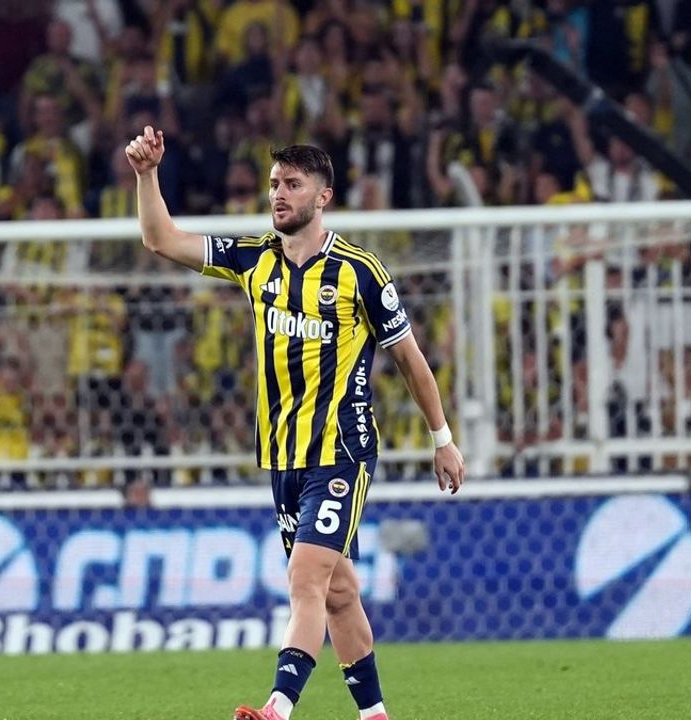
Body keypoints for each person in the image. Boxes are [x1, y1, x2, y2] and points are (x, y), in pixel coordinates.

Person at [127, 125, 465, 720]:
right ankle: (375, 715)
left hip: (341, 451)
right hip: (283, 456)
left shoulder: (361, 273)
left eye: (292, 184)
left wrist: (443, 439)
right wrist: (147, 175)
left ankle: (277, 708)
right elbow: (162, 239)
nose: (278, 194)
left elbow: (410, 360)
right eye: (274, 184)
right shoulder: (254, 258)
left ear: (323, 196)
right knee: (339, 593)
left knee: (305, 579)